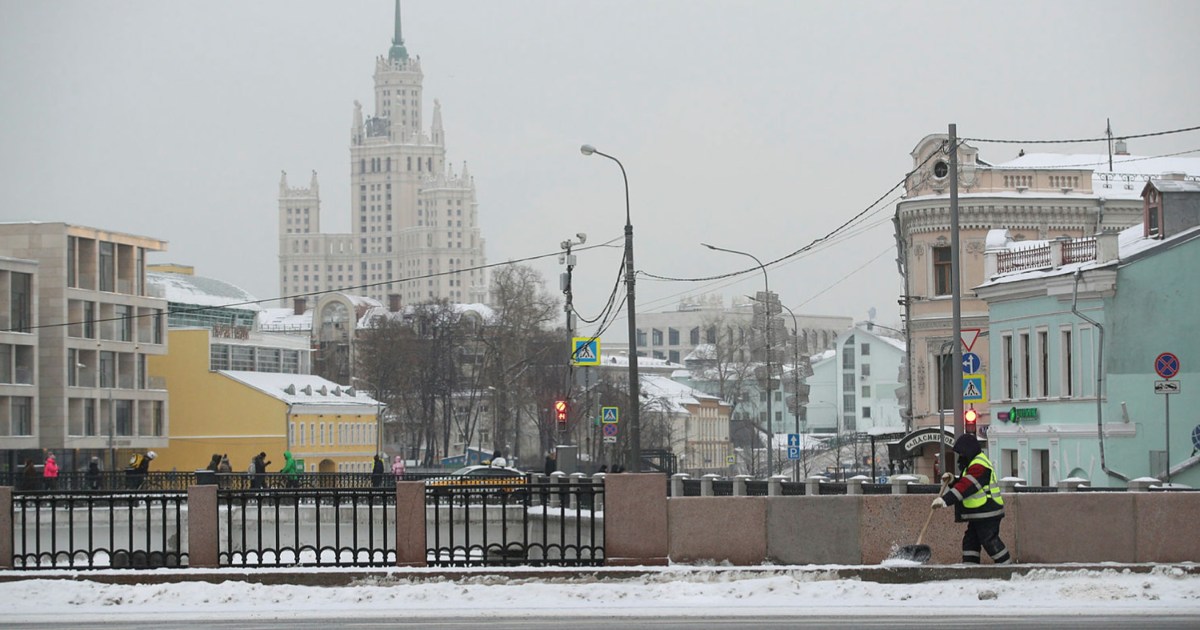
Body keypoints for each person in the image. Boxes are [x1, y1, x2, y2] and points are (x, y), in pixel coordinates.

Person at [931, 434, 1012, 565]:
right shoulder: (973, 464)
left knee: (989, 540)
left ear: (968, 451)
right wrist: (953, 481)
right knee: (970, 540)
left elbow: (967, 487)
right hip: (979, 513)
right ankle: (970, 567)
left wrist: (945, 500)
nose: (960, 457)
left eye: (962, 454)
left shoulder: (979, 465)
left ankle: (1007, 566)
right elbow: (965, 483)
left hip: (988, 512)